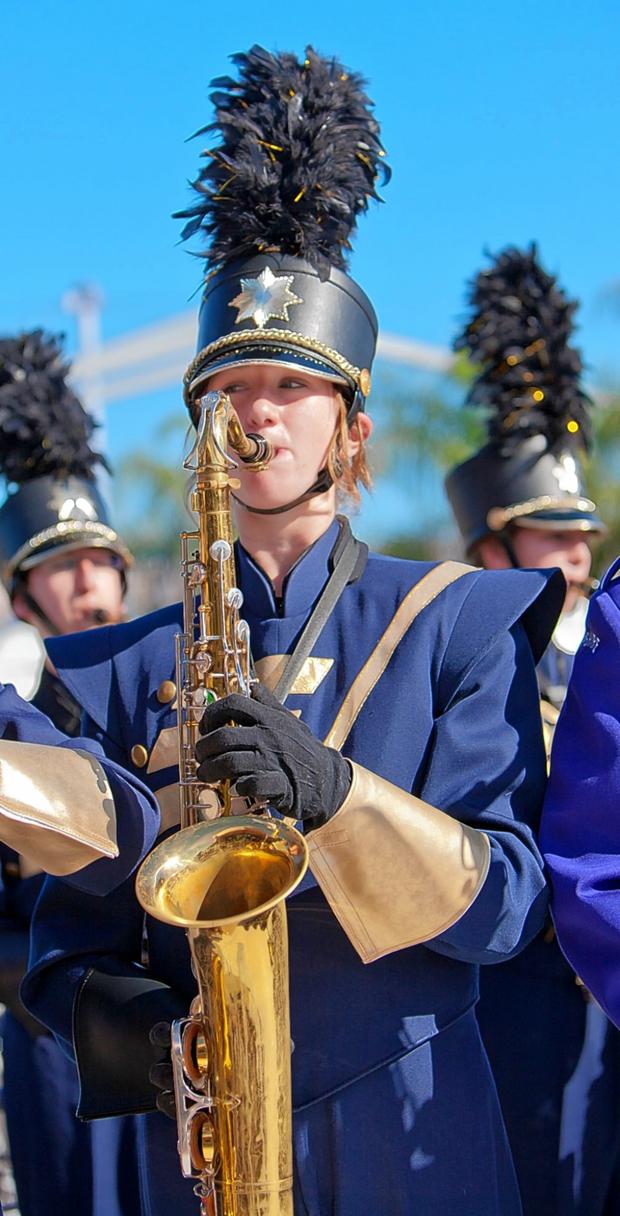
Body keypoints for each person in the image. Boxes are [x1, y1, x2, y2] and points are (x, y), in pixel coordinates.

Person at [24, 47, 564, 1216]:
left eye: (288, 383)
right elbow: (60, 943)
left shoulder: (458, 618)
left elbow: (514, 904)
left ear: (348, 422)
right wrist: (142, 1030)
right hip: (208, 1151)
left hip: (412, 1137)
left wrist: (338, 794)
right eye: (229, 387)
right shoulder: (117, 667)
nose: (255, 411)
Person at [445, 244, 620, 1215]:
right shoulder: (467, 669)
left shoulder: (599, 648)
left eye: (582, 530)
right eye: (551, 533)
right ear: (490, 545)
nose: (578, 551)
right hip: (512, 994)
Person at [0, 330, 142, 1216]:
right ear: (23, 599)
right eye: (64, 566)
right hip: (49, 1034)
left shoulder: (172, 687)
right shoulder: (17, 727)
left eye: (101, 560)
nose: (90, 583)